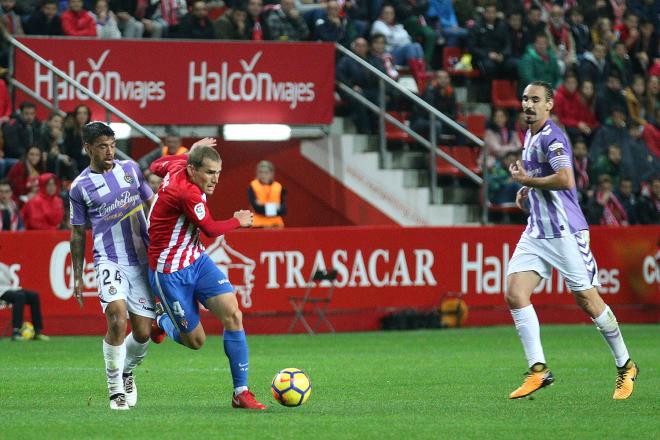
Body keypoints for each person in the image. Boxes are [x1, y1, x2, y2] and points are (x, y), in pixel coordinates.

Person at [506, 81, 637, 401]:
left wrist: (528, 180)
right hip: (537, 231)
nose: (528, 104)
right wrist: (527, 190)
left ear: (549, 105)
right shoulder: (529, 135)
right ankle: (538, 370)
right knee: (514, 293)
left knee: (588, 301)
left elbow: (566, 179)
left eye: (535, 100)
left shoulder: (553, 136)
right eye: (525, 99)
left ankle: (625, 364)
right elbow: (541, 178)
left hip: (565, 232)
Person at [147, 139, 266, 410]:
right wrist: (240, 220)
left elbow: (155, 166)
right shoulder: (186, 192)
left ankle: (241, 392)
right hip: (170, 272)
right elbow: (211, 228)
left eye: (218, 173)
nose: (215, 180)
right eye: (210, 173)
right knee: (196, 341)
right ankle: (163, 320)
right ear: (193, 170)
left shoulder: (179, 166)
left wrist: (191, 153)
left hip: (196, 260)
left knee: (234, 313)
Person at [69, 122, 156, 410]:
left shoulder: (130, 170)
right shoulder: (79, 187)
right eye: (102, 146)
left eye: (112, 144)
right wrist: (78, 275)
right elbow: (78, 232)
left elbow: (152, 204)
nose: (109, 151)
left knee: (143, 332)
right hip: (108, 259)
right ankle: (115, 390)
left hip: (141, 259)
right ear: (88, 148)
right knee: (117, 319)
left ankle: (127, 371)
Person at [0, 262, 49, 341]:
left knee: (34, 296)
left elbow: (10, 277)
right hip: (1, 292)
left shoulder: (1, 265)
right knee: (19, 296)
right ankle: (16, 332)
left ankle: (37, 332)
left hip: (7, 289)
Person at [248, 159, 286, 228]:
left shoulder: (278, 187)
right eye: (261, 172)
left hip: (276, 225)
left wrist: (263, 206)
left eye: (266, 172)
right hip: (258, 225)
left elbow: (283, 210)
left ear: (271, 173)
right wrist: (275, 207)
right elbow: (257, 209)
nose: (263, 175)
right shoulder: (253, 185)